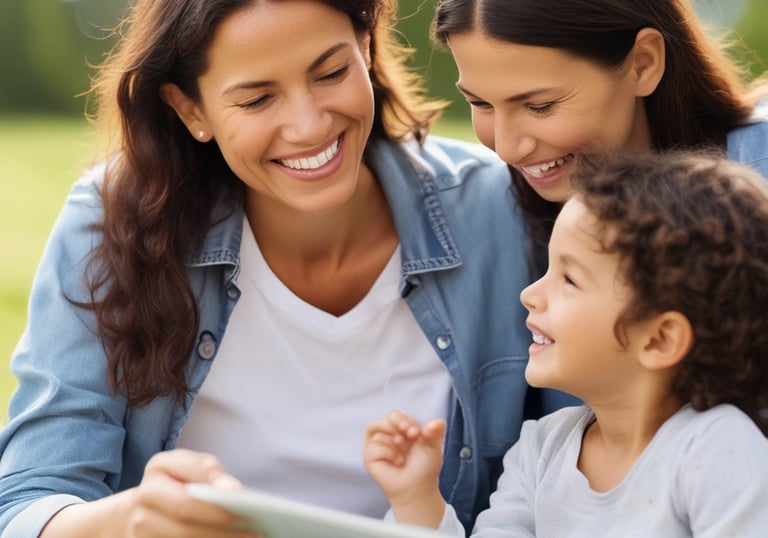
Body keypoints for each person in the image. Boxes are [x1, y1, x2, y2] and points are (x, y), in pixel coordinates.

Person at [0, 0, 577, 536]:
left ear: (367, 50)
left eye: (330, 74)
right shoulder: (111, 225)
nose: (309, 126)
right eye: (256, 100)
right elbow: (28, 498)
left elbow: (582, 472)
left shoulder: (498, 210)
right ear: (191, 109)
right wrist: (123, 521)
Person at [364, 150, 768, 536]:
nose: (529, 294)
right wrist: (417, 501)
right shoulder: (541, 450)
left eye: (569, 279)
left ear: (660, 339)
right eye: (547, 269)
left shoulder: (717, 448)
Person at [432, 0, 768, 273]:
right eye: (480, 103)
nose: (507, 149)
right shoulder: (499, 226)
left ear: (642, 64)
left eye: (540, 106)